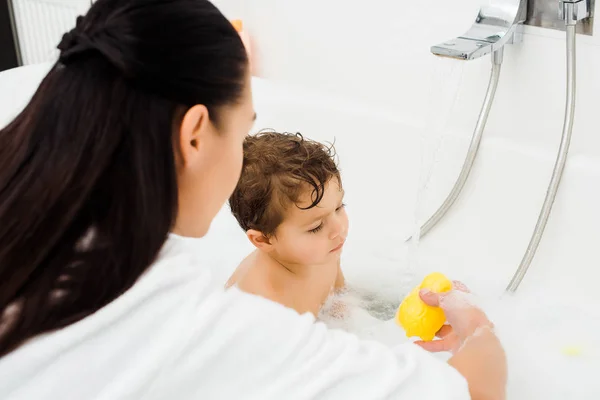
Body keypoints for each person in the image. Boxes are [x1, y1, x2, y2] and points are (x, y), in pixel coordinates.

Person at [0, 0, 507, 399]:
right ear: (196, 134)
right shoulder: (200, 321)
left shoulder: (35, 206)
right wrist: (477, 330)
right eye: (244, 128)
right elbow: (475, 394)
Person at [227, 131, 348, 317]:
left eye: (339, 208)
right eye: (316, 227)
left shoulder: (326, 252)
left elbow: (341, 300)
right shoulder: (260, 304)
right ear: (264, 240)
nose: (338, 228)